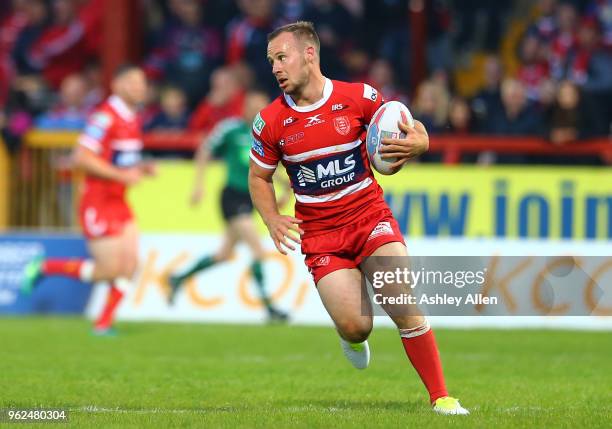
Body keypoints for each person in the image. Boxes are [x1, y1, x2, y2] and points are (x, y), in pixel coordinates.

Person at [248, 21, 469, 415]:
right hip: (320, 233)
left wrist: (423, 139)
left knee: (400, 299)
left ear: (309, 54)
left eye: (282, 57)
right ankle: (348, 335)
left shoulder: (358, 96)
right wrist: (272, 218)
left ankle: (441, 397)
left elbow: (404, 126)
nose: (276, 68)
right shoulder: (270, 122)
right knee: (357, 325)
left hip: (369, 217)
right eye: (271, 61)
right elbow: (259, 177)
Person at [21, 64, 154, 335]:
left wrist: (141, 167)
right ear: (117, 85)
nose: (139, 87)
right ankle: (46, 266)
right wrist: (121, 174)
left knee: (131, 265)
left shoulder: (132, 117)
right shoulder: (104, 117)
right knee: (108, 270)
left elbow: (120, 157)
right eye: (132, 82)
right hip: (98, 202)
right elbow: (82, 157)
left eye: (142, 82)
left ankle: (103, 323)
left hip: (119, 200)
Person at [168, 90, 290, 323]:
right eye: (252, 106)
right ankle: (270, 308)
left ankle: (178, 278)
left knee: (224, 255)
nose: (256, 111)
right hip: (232, 197)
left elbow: (270, 169)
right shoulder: (230, 129)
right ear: (243, 107)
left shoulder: (266, 134)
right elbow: (204, 150)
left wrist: (284, 190)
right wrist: (198, 185)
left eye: (260, 107)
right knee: (257, 248)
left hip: (251, 199)